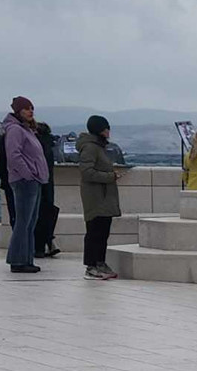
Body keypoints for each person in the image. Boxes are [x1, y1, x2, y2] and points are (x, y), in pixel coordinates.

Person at [1, 97, 49, 273]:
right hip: (24, 181)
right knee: (23, 222)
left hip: (34, 181)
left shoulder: (27, 130)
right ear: (18, 111)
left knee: (30, 222)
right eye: (27, 108)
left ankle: (26, 258)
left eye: (32, 108)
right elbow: (14, 155)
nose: (30, 111)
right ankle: (17, 260)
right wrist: (28, 174)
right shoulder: (15, 130)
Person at [77, 115, 124, 280]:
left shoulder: (99, 147)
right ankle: (91, 266)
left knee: (103, 232)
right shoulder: (90, 148)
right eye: (106, 128)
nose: (108, 131)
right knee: (94, 232)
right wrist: (110, 177)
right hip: (95, 198)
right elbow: (87, 172)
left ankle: (100, 262)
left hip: (104, 198)